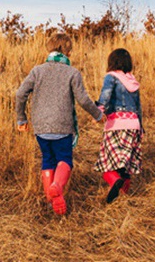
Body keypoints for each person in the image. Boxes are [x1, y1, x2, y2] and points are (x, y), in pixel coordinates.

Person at [15, 32, 104, 215]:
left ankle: (50, 200)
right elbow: (84, 100)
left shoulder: (37, 71)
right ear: (68, 52)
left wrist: (21, 118)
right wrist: (98, 115)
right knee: (65, 159)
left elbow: (20, 94)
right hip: (62, 127)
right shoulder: (72, 73)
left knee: (48, 160)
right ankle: (57, 186)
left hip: (40, 127)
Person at [94, 47, 143, 203]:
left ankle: (114, 181)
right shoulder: (132, 80)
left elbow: (106, 96)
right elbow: (138, 107)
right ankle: (123, 198)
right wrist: (140, 127)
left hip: (116, 123)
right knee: (126, 164)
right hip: (133, 124)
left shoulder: (111, 77)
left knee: (108, 163)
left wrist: (99, 111)